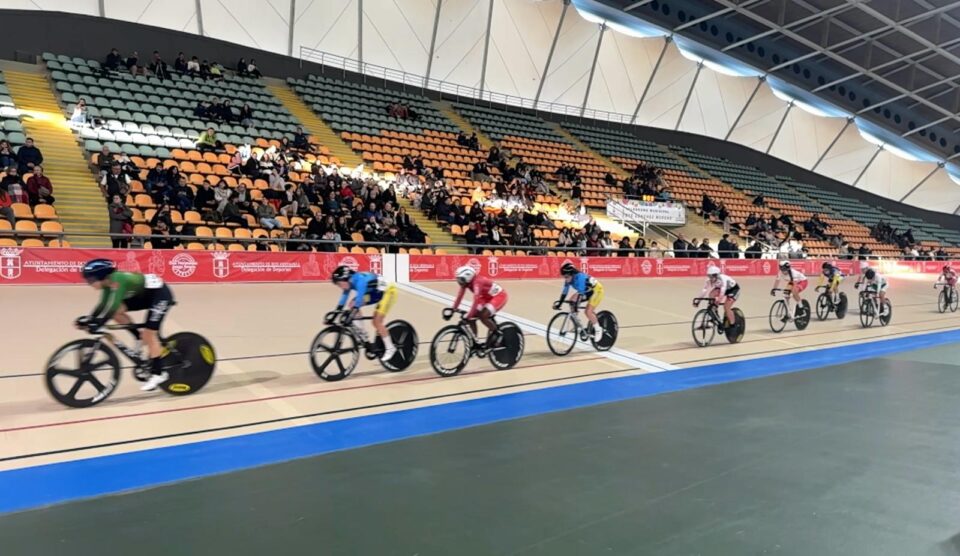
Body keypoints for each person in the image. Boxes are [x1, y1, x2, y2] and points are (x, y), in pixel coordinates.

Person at [78, 259, 175, 392]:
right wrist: (89, 319)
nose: (88, 283)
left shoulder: (118, 279)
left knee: (150, 334)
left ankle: (159, 374)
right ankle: (138, 336)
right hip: (145, 295)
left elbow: (113, 304)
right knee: (117, 313)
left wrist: (99, 323)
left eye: (90, 280)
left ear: (101, 277)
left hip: (160, 295)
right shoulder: (107, 283)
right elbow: (103, 305)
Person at [330, 265, 398, 362]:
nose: (340, 287)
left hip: (388, 291)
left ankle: (391, 348)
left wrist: (352, 314)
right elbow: (344, 298)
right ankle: (363, 335)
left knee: (376, 322)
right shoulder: (349, 282)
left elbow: (359, 300)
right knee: (352, 305)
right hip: (375, 293)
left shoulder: (360, 281)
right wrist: (336, 312)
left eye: (339, 284)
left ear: (346, 279)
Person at [446, 265, 506, 349]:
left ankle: (498, 333)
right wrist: (453, 309)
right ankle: (475, 342)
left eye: (461, 279)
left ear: (468, 277)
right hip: (485, 297)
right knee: (471, 318)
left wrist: (469, 315)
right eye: (458, 279)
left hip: (498, 296)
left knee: (483, 315)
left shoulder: (478, 282)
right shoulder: (466, 283)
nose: (459, 282)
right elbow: (459, 296)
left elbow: (476, 301)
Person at [554, 261, 604, 342]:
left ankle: (598, 329)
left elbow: (581, 293)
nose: (565, 279)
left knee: (588, 311)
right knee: (571, 301)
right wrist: (559, 303)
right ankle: (576, 323)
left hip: (597, 291)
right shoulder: (569, 278)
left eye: (566, 277)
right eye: (564, 277)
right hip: (587, 291)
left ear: (572, 274)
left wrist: (576, 305)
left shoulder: (580, 278)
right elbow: (564, 292)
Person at [695, 264, 739, 329]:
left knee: (726, 307)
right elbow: (704, 290)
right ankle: (715, 314)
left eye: (712, 276)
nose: (711, 278)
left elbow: (722, 292)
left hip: (733, 289)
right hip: (721, 288)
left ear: (717, 275)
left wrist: (717, 302)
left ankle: (733, 325)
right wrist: (698, 301)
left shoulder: (723, 279)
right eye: (709, 276)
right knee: (711, 295)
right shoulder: (709, 280)